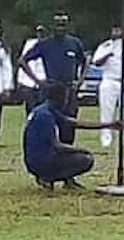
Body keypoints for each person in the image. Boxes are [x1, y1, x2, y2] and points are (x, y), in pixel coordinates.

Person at [24, 81, 120, 191]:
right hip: (40, 160)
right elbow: (56, 145)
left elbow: (74, 123)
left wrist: (108, 125)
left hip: (33, 159)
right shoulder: (45, 116)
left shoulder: (44, 110)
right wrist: (81, 150)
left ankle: (52, 177)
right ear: (59, 98)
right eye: (66, 97)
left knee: (71, 156)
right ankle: (47, 177)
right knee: (85, 160)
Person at [19, 12, 86, 145]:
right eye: (57, 24)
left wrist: (80, 81)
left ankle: (67, 154)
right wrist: (39, 82)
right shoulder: (45, 44)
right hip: (51, 91)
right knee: (47, 124)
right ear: (52, 26)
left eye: (63, 24)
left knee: (69, 126)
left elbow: (85, 61)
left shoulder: (74, 43)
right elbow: (22, 61)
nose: (60, 27)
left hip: (69, 91)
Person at [93, 24, 124, 150]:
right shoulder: (105, 46)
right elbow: (96, 62)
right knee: (107, 111)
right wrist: (109, 53)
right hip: (109, 80)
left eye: (119, 30)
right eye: (114, 30)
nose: (116, 32)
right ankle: (106, 139)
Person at [17, 25, 47, 115]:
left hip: (44, 81)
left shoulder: (49, 44)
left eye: (42, 32)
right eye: (39, 32)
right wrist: (20, 80)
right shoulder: (30, 44)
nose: (40, 34)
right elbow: (22, 61)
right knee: (30, 108)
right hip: (30, 82)